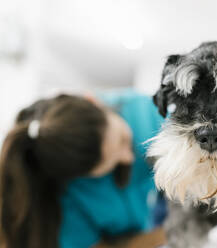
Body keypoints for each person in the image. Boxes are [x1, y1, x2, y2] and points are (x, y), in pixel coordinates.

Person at [0, 89, 164, 248]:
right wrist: (169, 232)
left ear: (93, 101)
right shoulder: (66, 202)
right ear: (80, 177)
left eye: (122, 139)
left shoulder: (144, 112)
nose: (128, 157)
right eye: (110, 164)